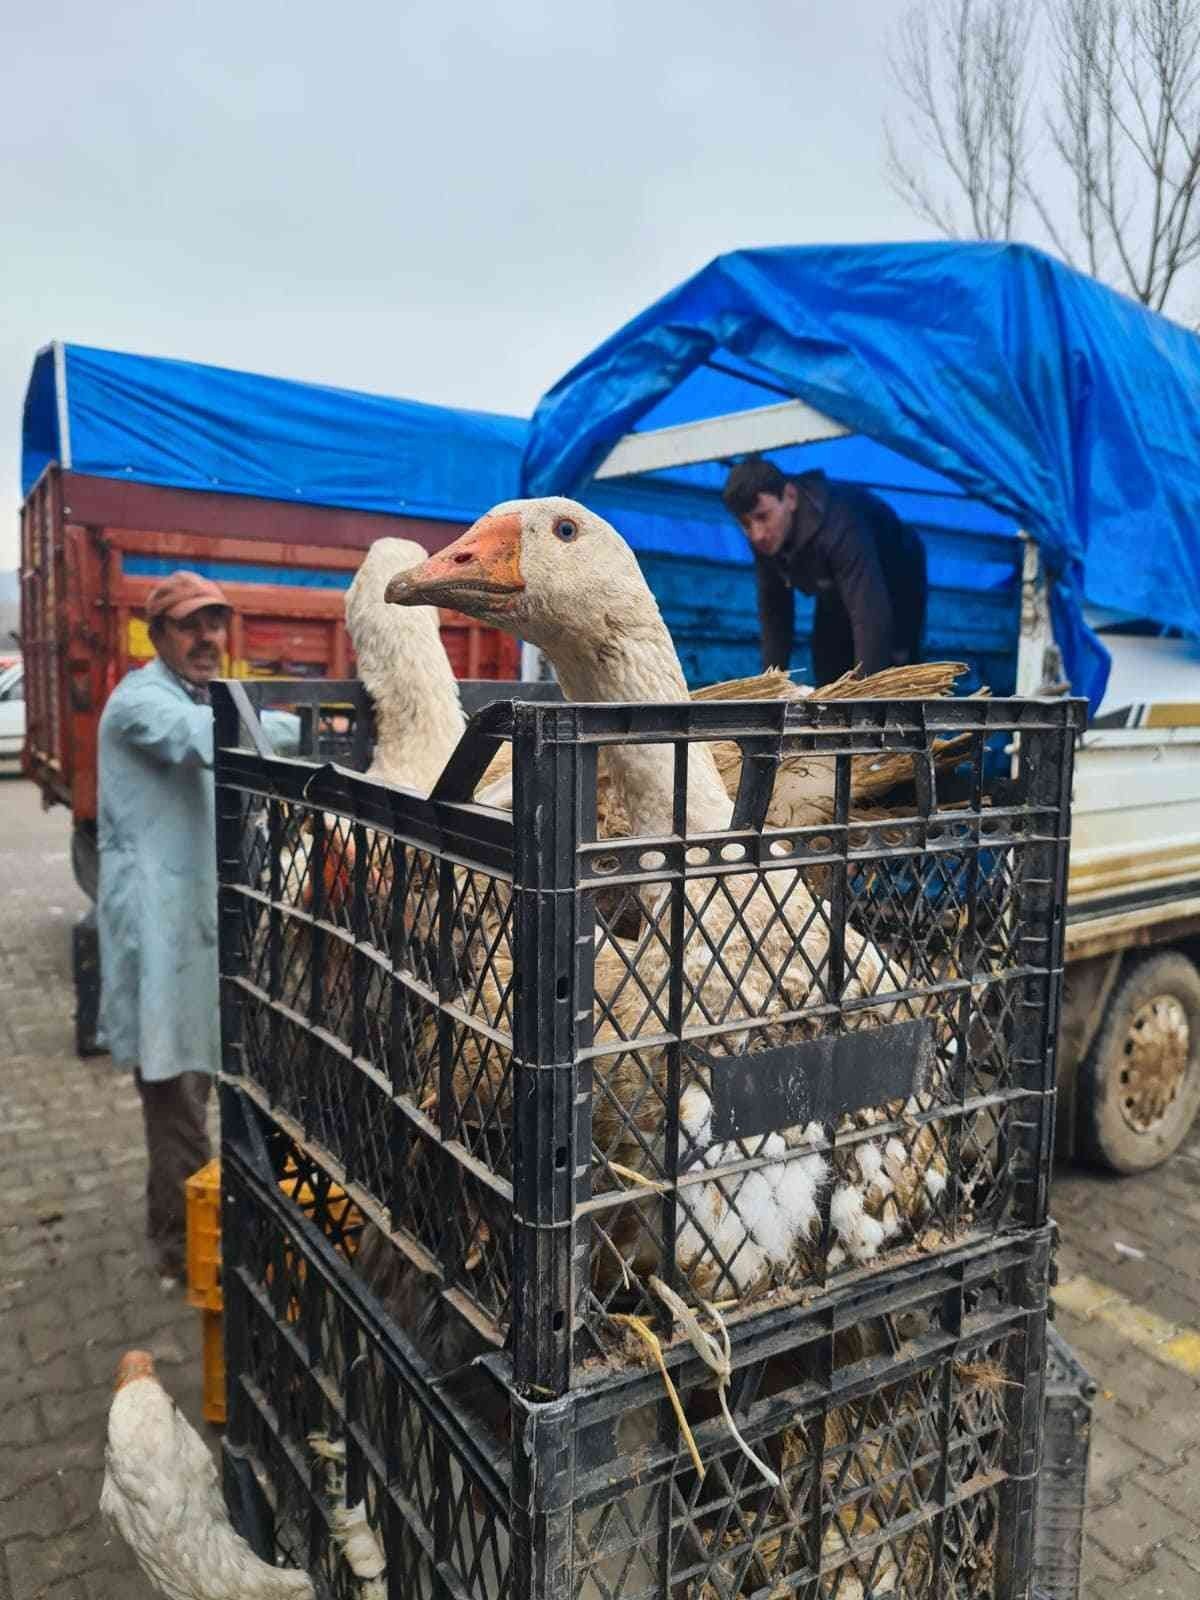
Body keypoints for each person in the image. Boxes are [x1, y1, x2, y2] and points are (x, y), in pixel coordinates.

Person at [96, 571, 300, 1282]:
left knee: (201, 1081)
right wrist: (309, 721)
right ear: (158, 636)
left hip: (199, 932)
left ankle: (198, 1223)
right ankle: (180, 1247)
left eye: (216, 623)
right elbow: (209, 736)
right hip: (160, 936)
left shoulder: (199, 696)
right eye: (190, 625)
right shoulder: (141, 703)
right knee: (177, 1094)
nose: (208, 637)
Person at [722, 456, 927, 682]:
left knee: (895, 665)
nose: (757, 534)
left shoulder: (840, 524)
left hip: (894, 580)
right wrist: (769, 687)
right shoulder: (766, 539)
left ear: (790, 497)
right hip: (835, 586)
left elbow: (870, 615)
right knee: (828, 667)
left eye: (763, 516)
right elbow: (774, 614)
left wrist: (864, 697)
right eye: (745, 523)